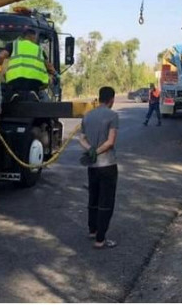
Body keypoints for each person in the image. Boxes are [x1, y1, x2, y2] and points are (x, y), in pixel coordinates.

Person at [78, 86, 119, 249]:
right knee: (106, 202)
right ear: (112, 100)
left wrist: (90, 150)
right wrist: (97, 151)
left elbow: (81, 139)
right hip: (107, 164)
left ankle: (92, 230)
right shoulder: (113, 116)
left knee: (93, 198)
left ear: (99, 98)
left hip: (92, 165)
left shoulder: (87, 116)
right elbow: (110, 142)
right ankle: (100, 239)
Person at [0, 28, 56, 101]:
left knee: (6, 77)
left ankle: (13, 94)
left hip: (15, 80)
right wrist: (54, 74)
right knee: (45, 81)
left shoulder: (14, 45)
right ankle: (34, 93)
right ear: (34, 37)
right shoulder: (39, 49)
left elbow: (0, 57)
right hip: (35, 82)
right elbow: (49, 66)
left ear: (23, 37)